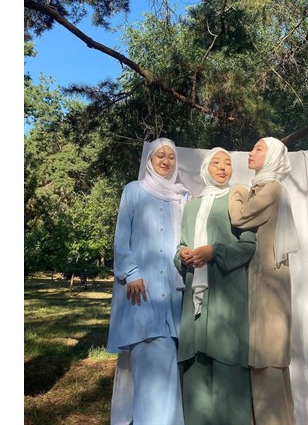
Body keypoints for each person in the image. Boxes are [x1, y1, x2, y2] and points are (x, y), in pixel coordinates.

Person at [106, 138, 191, 425]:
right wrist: (131, 273)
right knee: (148, 361)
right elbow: (122, 238)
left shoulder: (182, 197)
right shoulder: (134, 190)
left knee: (167, 366)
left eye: (171, 156)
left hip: (173, 294)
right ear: (150, 161)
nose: (166, 161)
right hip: (141, 292)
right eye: (160, 156)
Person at [174, 147, 256, 425]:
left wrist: (215, 251)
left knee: (227, 362)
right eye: (216, 162)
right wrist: (182, 255)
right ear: (206, 168)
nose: (223, 167)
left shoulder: (237, 199)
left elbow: (248, 245)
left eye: (227, 163)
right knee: (196, 368)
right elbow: (182, 244)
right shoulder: (192, 206)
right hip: (195, 301)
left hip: (226, 296)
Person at [228, 137, 300, 425]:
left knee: (266, 358)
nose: (251, 151)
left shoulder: (271, 189)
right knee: (264, 358)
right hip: (264, 283)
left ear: (271, 157)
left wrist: (236, 191)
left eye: (259, 148)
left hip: (268, 287)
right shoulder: (264, 187)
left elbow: (239, 217)